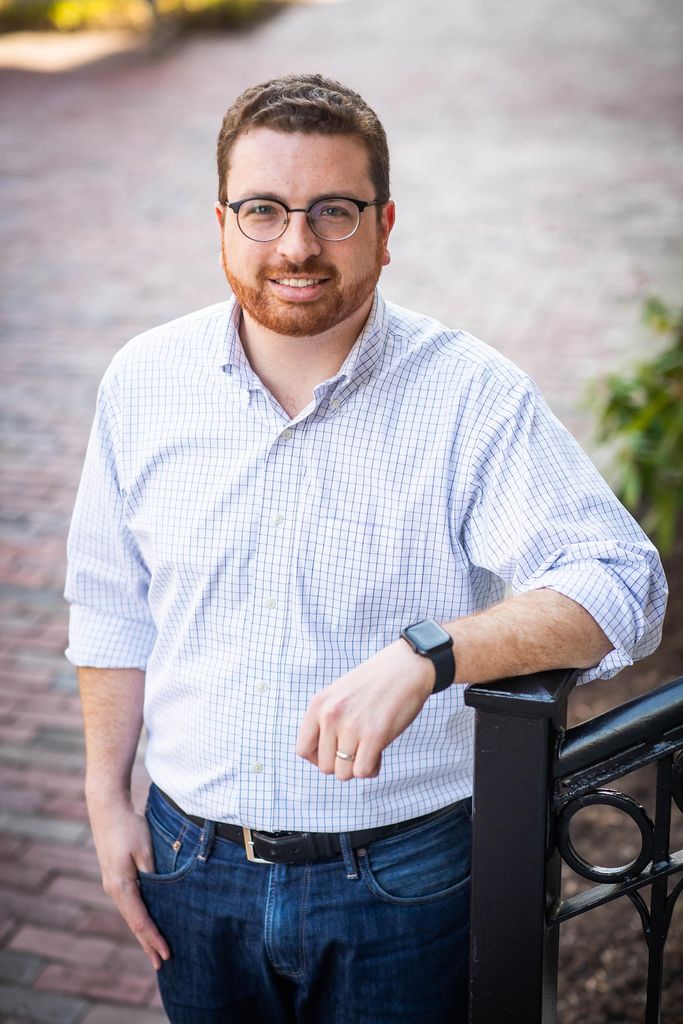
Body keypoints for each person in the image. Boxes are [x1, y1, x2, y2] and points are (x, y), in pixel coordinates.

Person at [65, 73, 667, 1024]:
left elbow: (619, 582)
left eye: (332, 212)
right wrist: (105, 797)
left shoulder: (469, 395)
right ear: (220, 222)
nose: (296, 245)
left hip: (402, 874)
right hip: (190, 859)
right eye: (263, 210)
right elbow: (111, 601)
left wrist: (430, 655)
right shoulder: (143, 382)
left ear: (385, 227)